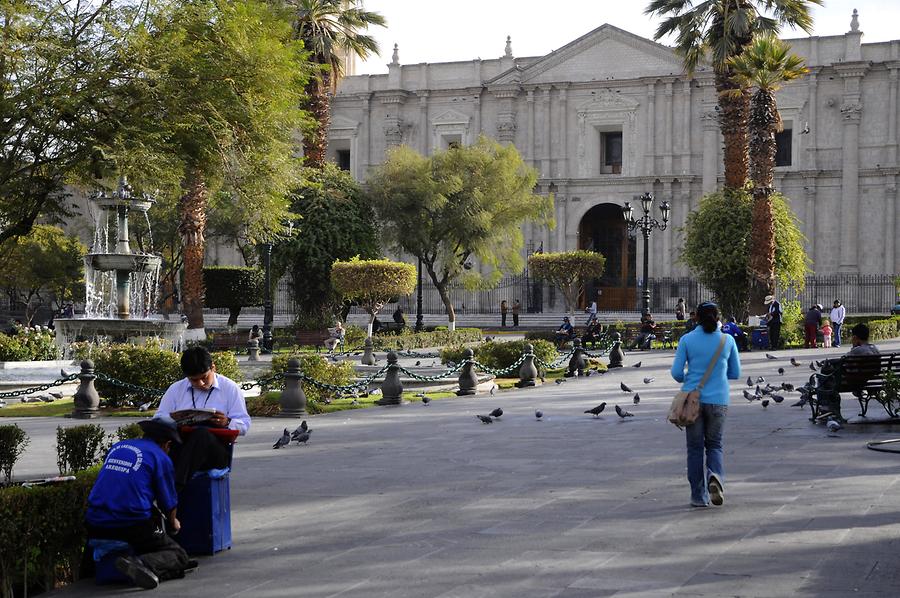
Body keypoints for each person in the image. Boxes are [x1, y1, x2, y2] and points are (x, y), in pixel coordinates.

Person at [85, 416, 193, 589]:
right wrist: (173, 524)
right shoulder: (160, 457)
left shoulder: (119, 446)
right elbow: (168, 503)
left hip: (94, 521)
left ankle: (118, 567)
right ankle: (139, 564)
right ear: (167, 444)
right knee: (179, 555)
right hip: (130, 524)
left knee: (148, 520)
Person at [670, 302, 741, 508]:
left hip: (693, 400)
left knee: (694, 449)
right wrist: (718, 376)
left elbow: (676, 373)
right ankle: (715, 476)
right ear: (718, 318)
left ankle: (698, 496)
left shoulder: (687, 339)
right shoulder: (727, 340)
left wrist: (690, 378)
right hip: (719, 400)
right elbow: (735, 373)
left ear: (696, 318)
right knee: (715, 444)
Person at [156, 347, 251, 491]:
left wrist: (228, 422)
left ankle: (175, 488)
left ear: (213, 367)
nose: (200, 383)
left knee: (202, 434)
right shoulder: (176, 389)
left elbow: (244, 424)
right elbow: (159, 418)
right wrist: (175, 421)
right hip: (182, 445)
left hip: (215, 452)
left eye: (204, 377)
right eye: (193, 380)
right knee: (155, 437)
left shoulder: (230, 388)